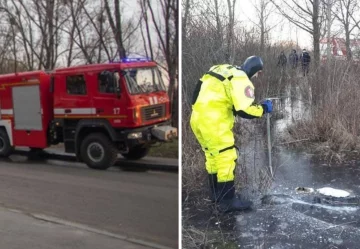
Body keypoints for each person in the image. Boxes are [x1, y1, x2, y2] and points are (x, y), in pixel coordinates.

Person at [190, 56, 273, 213]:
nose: (255, 78)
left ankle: (217, 194)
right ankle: (228, 200)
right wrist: (262, 109)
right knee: (226, 157)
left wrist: (199, 108)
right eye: (257, 74)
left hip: (197, 118)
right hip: (215, 122)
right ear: (255, 70)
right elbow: (244, 110)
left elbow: (197, 90)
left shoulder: (221, 68)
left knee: (212, 156)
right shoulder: (241, 79)